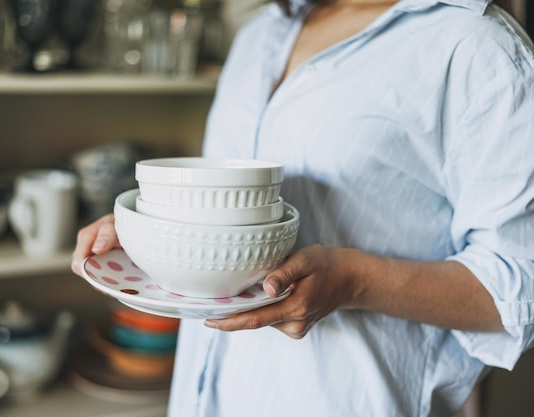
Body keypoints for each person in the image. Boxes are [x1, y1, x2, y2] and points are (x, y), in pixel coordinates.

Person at [72, 0, 534, 415]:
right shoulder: (260, 33)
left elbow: (521, 285)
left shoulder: (475, 45)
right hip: (209, 395)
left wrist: (353, 280)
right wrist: (157, 230)